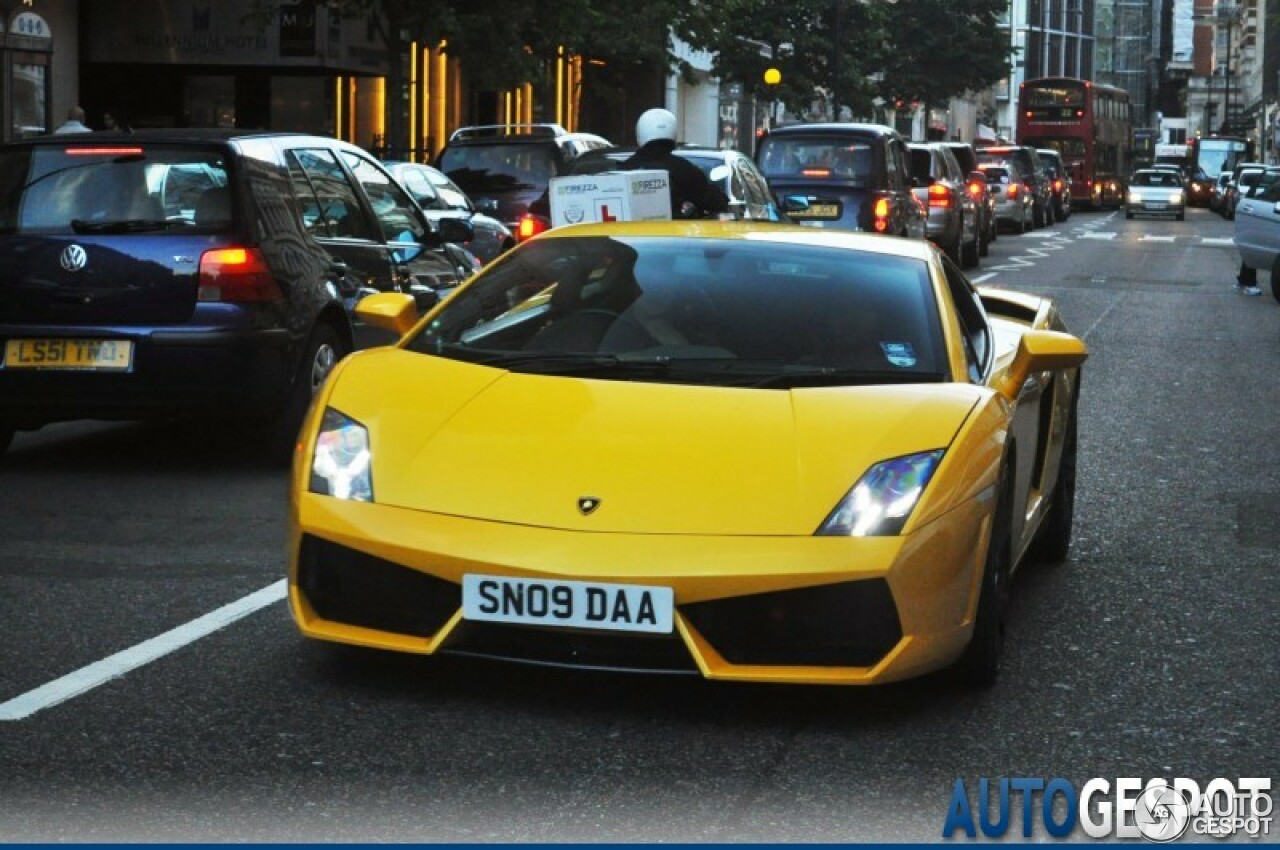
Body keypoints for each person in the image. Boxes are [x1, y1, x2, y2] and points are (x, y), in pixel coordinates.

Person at [618, 108, 729, 219]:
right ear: (673, 134)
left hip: (628, 236)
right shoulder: (685, 170)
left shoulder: (623, 169)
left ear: (640, 134)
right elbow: (718, 202)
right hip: (673, 235)